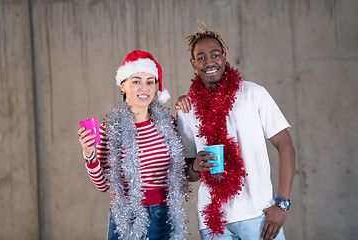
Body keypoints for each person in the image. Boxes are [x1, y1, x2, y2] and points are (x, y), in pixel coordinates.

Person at [175, 28, 296, 240]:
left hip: (258, 214)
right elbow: (188, 173)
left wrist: (282, 204)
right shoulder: (187, 108)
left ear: (224, 56)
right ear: (193, 63)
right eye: (201, 57)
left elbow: (286, 146)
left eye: (215, 54)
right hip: (213, 222)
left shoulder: (253, 93)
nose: (209, 62)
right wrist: (195, 166)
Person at [78, 50, 187, 240]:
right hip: (127, 217)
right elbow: (104, 185)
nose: (144, 88)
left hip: (166, 217)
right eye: (136, 81)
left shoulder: (168, 124)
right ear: (123, 85)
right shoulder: (109, 129)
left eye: (150, 82)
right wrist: (89, 155)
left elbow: (188, 158)